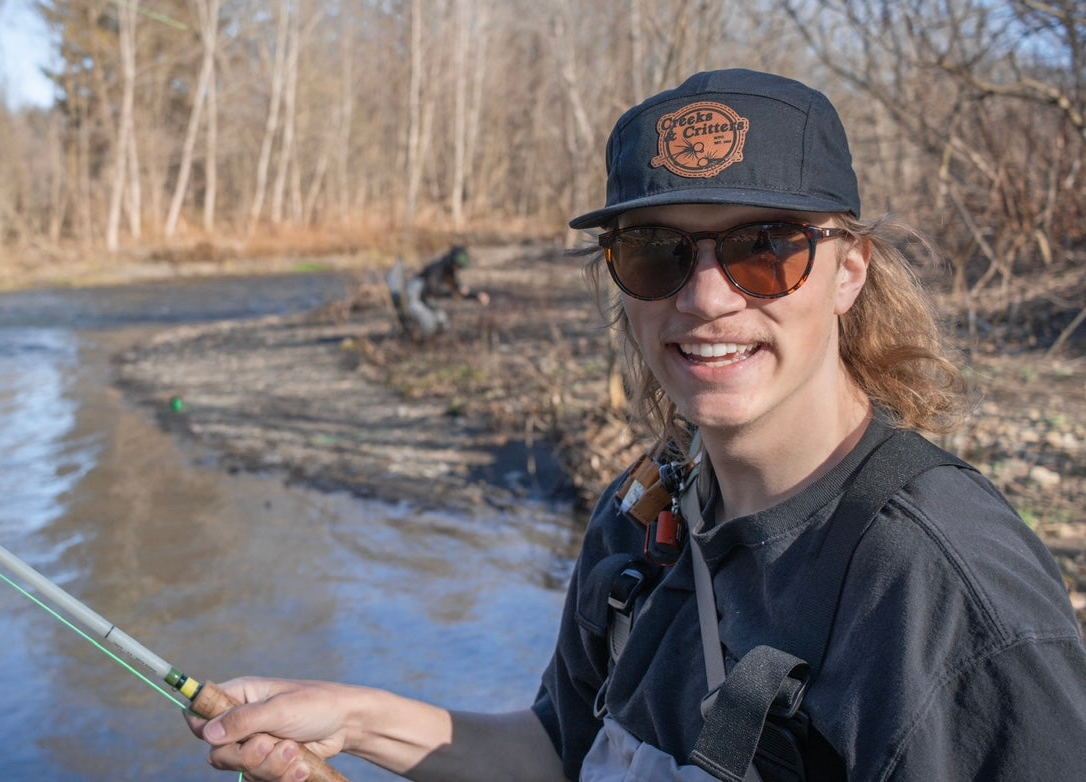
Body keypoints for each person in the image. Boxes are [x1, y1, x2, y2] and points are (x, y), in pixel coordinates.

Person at [185, 69, 1086, 780]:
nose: (703, 299)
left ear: (848, 270)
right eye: (655, 253)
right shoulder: (641, 516)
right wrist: (351, 720)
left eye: (763, 249)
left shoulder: (945, 590)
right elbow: (557, 755)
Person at [389, 245, 490, 341]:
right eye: (458, 265)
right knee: (428, 322)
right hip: (413, 298)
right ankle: (419, 344)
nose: (458, 268)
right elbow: (433, 290)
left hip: (424, 299)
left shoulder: (450, 272)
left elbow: (458, 291)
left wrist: (476, 296)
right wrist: (450, 293)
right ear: (453, 262)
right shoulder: (437, 269)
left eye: (460, 266)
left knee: (442, 320)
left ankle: (433, 342)